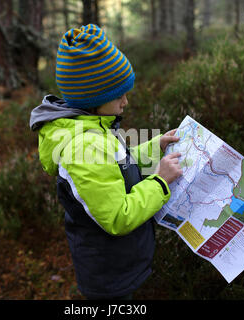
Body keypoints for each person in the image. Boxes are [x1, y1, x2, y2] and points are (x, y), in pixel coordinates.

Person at [30, 24, 182, 300]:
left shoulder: (96, 127)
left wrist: (155, 148)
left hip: (120, 262)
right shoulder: (82, 146)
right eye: (118, 95)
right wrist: (160, 182)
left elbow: (117, 167)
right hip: (108, 274)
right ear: (94, 97)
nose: (126, 102)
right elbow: (116, 217)